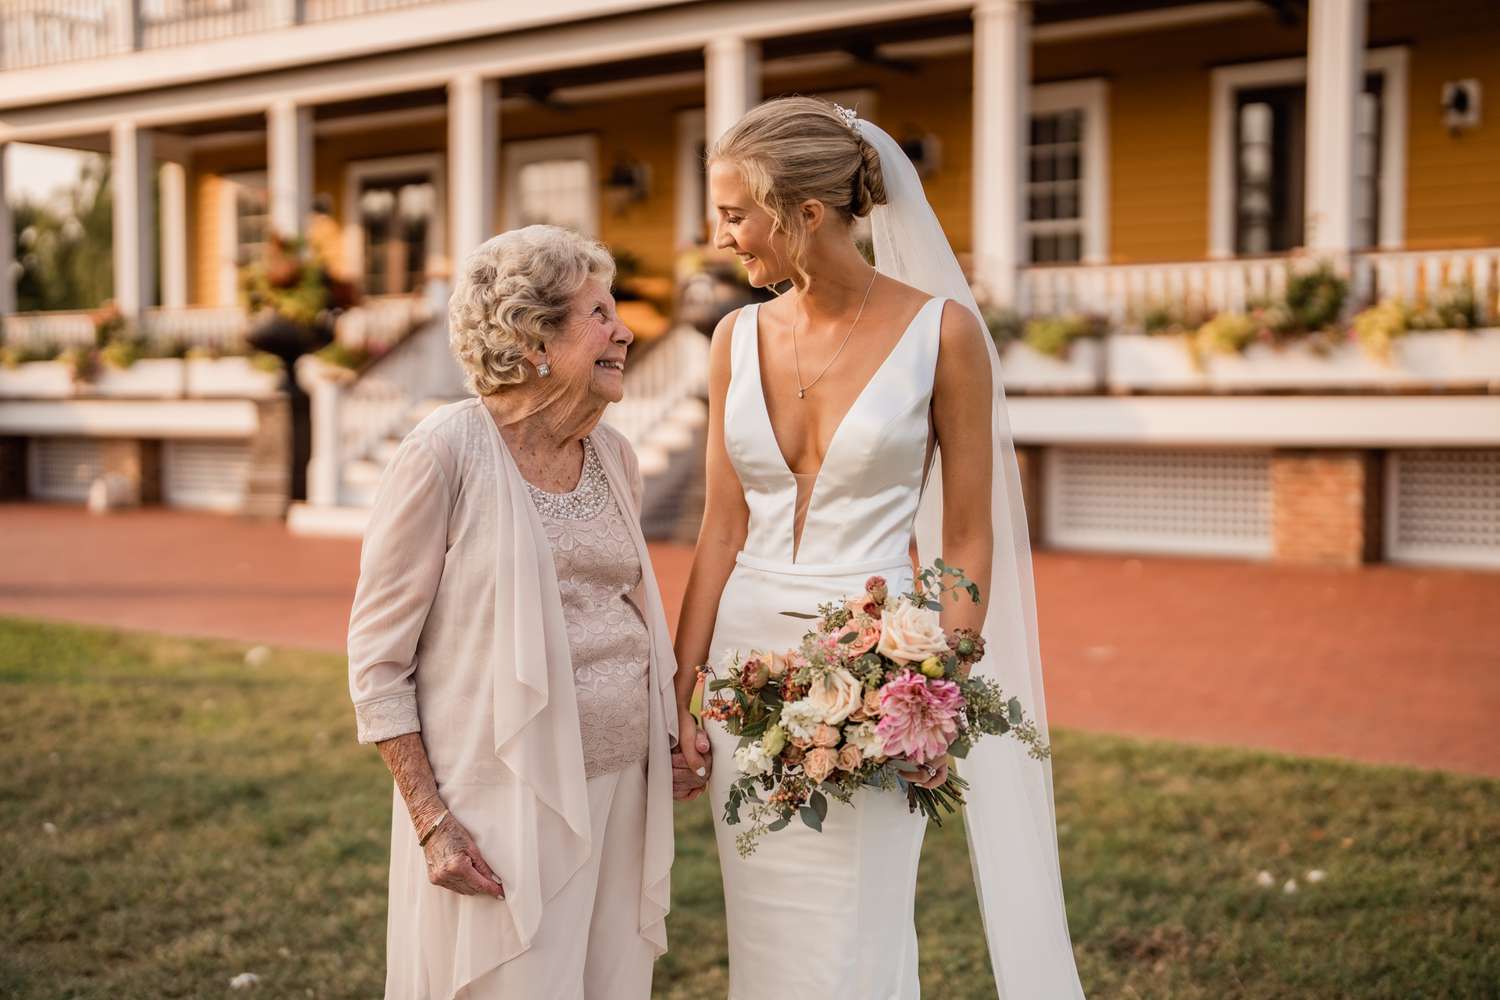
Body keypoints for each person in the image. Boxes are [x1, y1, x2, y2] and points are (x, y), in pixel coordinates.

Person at [671, 97, 1086, 998]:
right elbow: (721, 527)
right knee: (766, 938)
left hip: (880, 669)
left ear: (805, 213)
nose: (720, 237)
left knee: (858, 935)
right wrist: (679, 688)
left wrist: (939, 689)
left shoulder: (944, 334)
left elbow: (968, 531)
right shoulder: (734, 337)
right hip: (745, 669)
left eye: (734, 215)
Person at [347, 224, 693, 1000]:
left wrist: (669, 731)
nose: (625, 332)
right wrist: (432, 819)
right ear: (534, 338)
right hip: (500, 795)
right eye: (600, 315)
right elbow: (377, 663)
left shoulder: (615, 455)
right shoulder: (444, 452)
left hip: (624, 790)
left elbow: (627, 610)